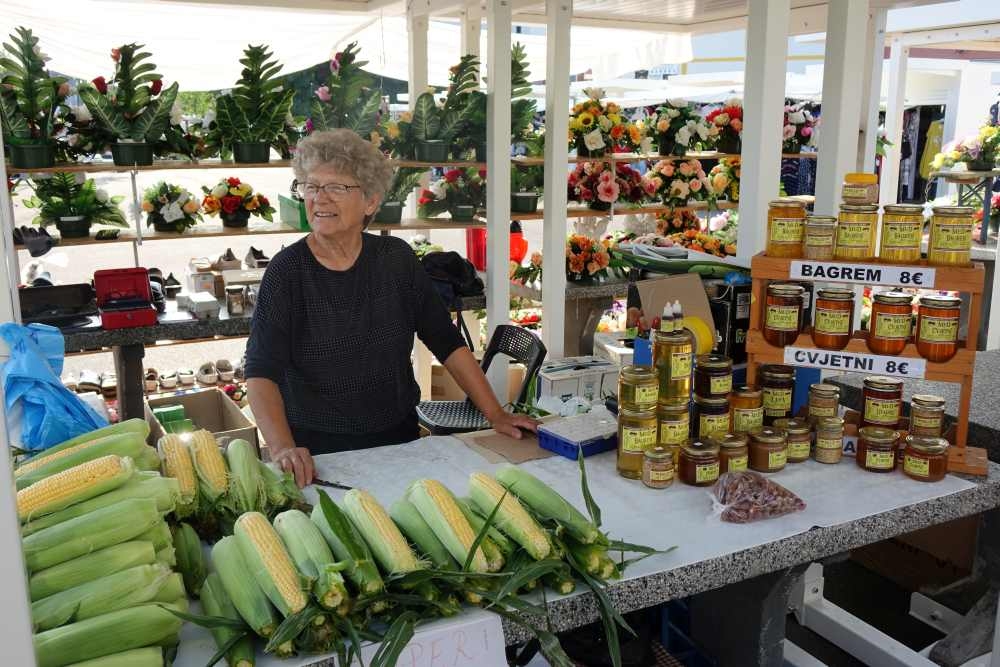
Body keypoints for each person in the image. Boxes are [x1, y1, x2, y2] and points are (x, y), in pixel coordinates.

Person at [245, 129, 537, 487]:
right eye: (311, 185)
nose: (318, 198)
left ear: (370, 201)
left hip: (399, 440)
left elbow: (445, 341)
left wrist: (495, 413)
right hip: (319, 454)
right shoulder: (287, 271)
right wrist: (283, 448)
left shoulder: (395, 259)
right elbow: (260, 372)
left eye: (336, 187)